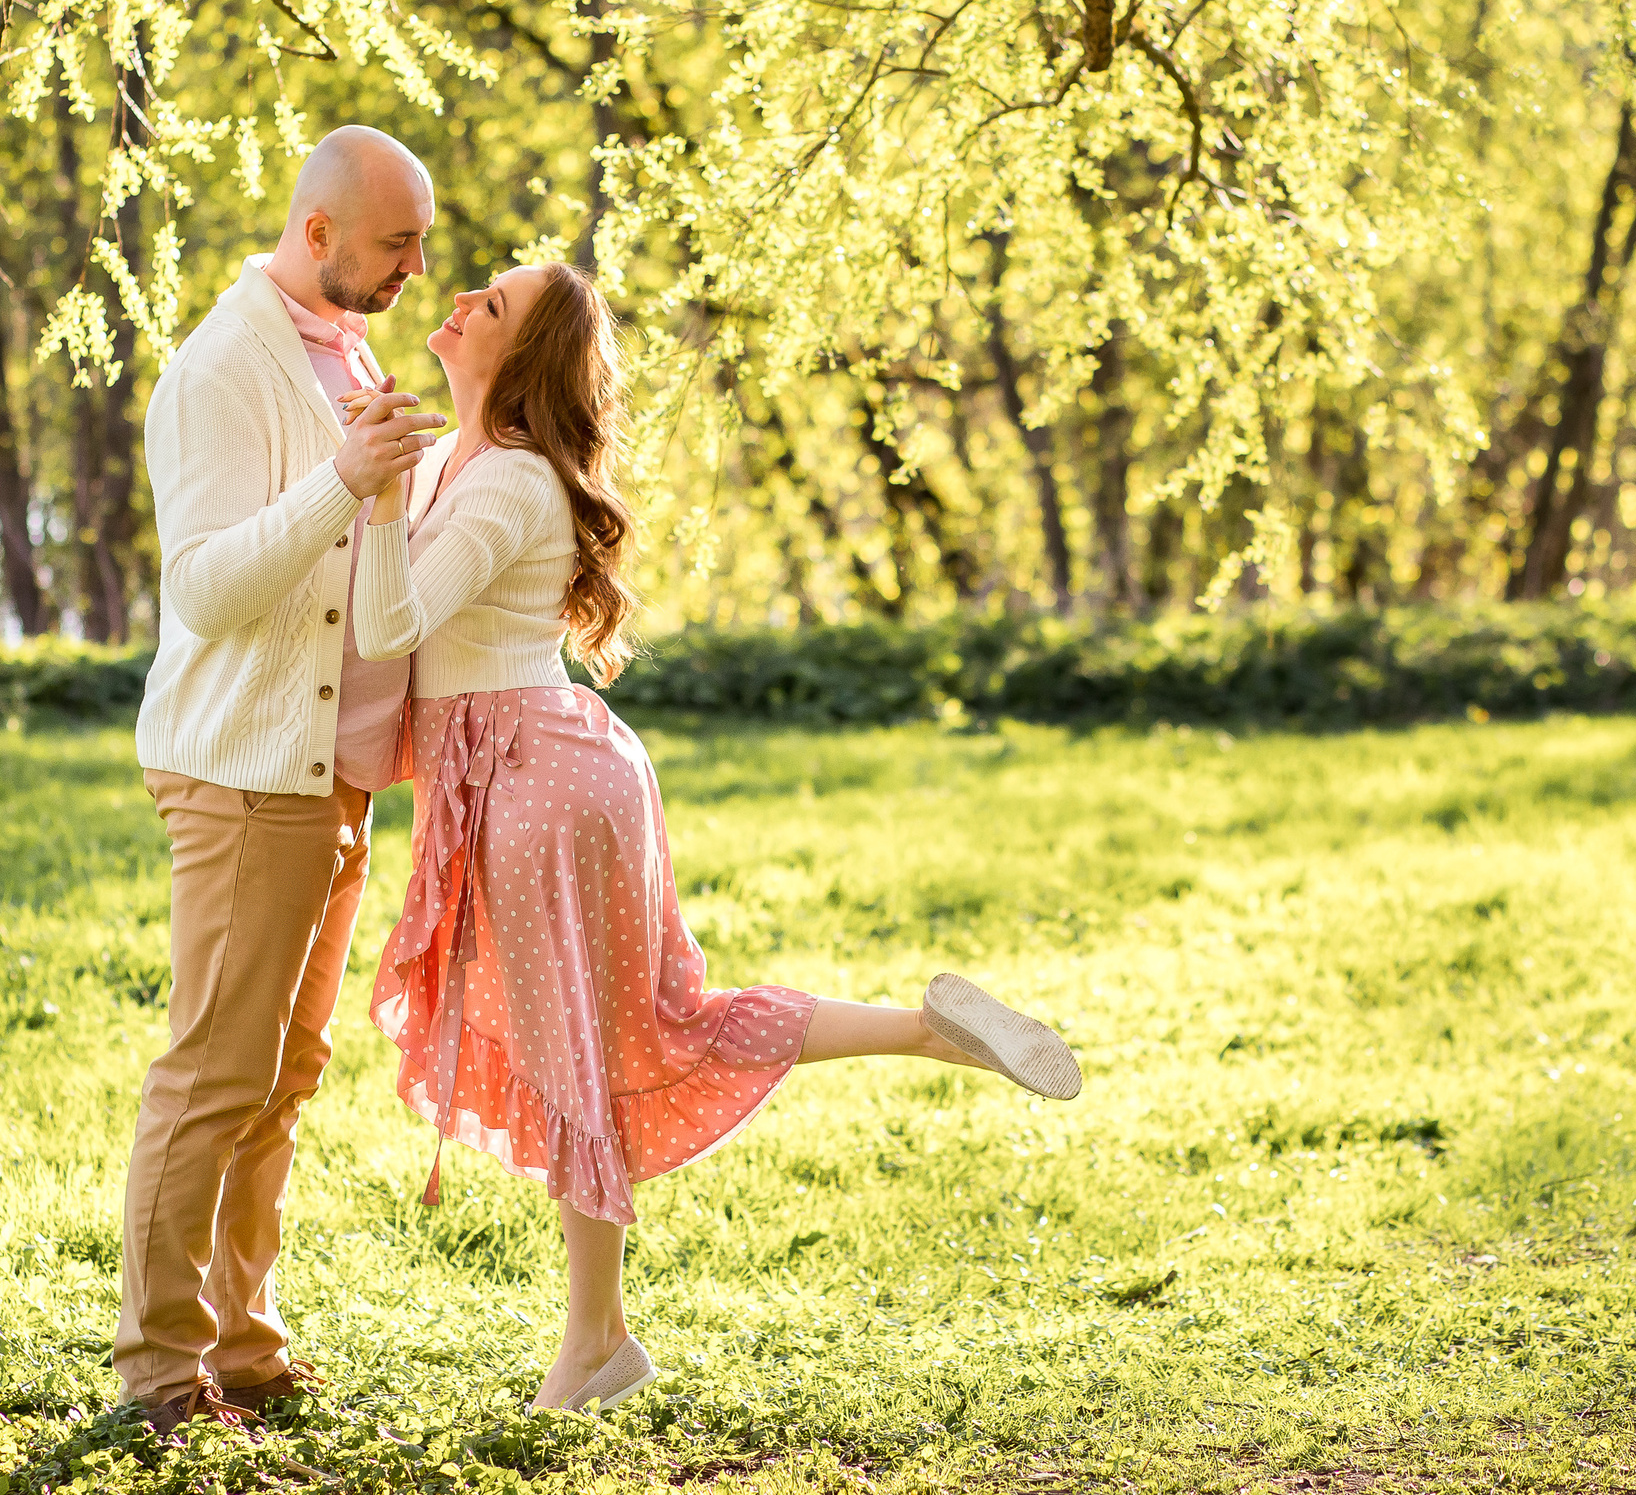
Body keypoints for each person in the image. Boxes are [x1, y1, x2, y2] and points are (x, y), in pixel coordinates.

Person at [344, 262, 1083, 1413]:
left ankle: (596, 1345)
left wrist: (376, 496)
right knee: (630, 1030)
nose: (461, 299)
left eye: (490, 303)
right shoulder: (462, 460)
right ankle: (926, 1031)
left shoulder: (508, 487)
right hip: (535, 771)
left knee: (583, 1050)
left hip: (534, 782)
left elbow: (391, 617)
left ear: (520, 358)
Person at [118, 127, 448, 1436]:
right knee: (216, 1071)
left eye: (420, 240)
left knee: (284, 1073)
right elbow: (204, 587)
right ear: (316, 234)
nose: (416, 266)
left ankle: (245, 1344)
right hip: (248, 775)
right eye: (394, 243)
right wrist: (345, 480)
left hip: (333, 786)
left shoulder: (343, 343)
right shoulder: (222, 368)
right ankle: (159, 1368)